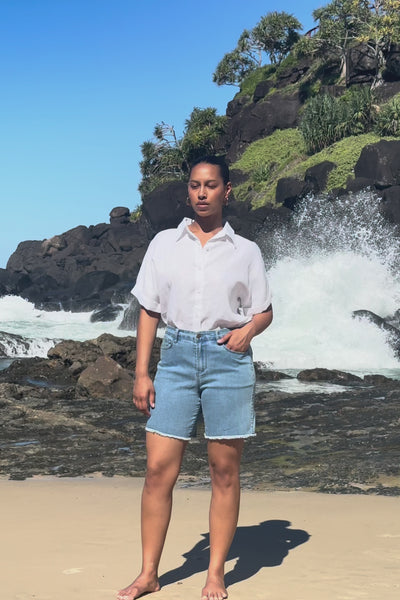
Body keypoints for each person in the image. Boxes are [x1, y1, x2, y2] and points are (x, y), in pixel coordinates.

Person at [117, 155, 273, 600]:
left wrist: (247, 332)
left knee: (224, 471)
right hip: (176, 358)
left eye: (210, 185)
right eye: (194, 185)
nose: (201, 193)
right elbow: (149, 310)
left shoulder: (246, 251)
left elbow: (264, 311)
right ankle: (148, 574)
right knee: (157, 470)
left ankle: (215, 573)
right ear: (188, 192)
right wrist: (142, 373)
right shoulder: (164, 244)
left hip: (228, 360)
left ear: (227, 191)